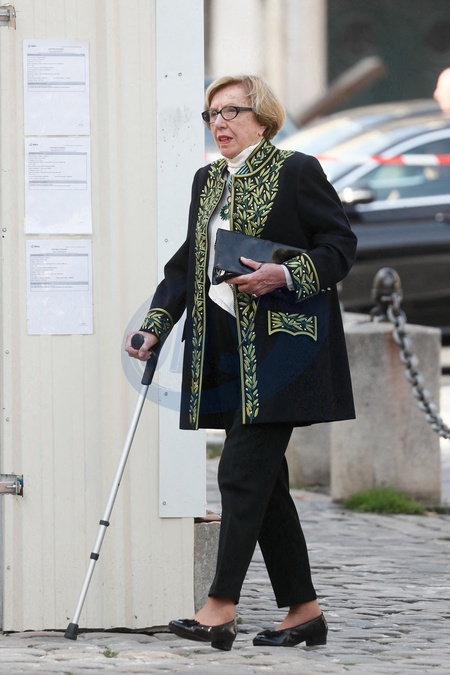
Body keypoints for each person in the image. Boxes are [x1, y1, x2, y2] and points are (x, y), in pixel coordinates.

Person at [126, 74, 357, 651]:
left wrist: (284, 274)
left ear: (263, 117)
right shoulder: (208, 180)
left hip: (283, 350)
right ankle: (304, 610)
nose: (219, 123)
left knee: (238, 472)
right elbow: (189, 262)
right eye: (212, 114)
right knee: (265, 485)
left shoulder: (297, 170)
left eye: (231, 111)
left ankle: (219, 607)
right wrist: (156, 323)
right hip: (224, 350)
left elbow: (339, 246)